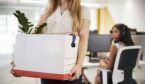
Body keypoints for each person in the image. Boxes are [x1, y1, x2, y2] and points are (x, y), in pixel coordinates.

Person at [11, 0, 90, 84]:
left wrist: (79, 65)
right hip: (47, 66)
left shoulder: (82, 10)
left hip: (70, 67)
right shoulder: (47, 10)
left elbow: (83, 39)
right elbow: (35, 35)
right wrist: (20, 59)